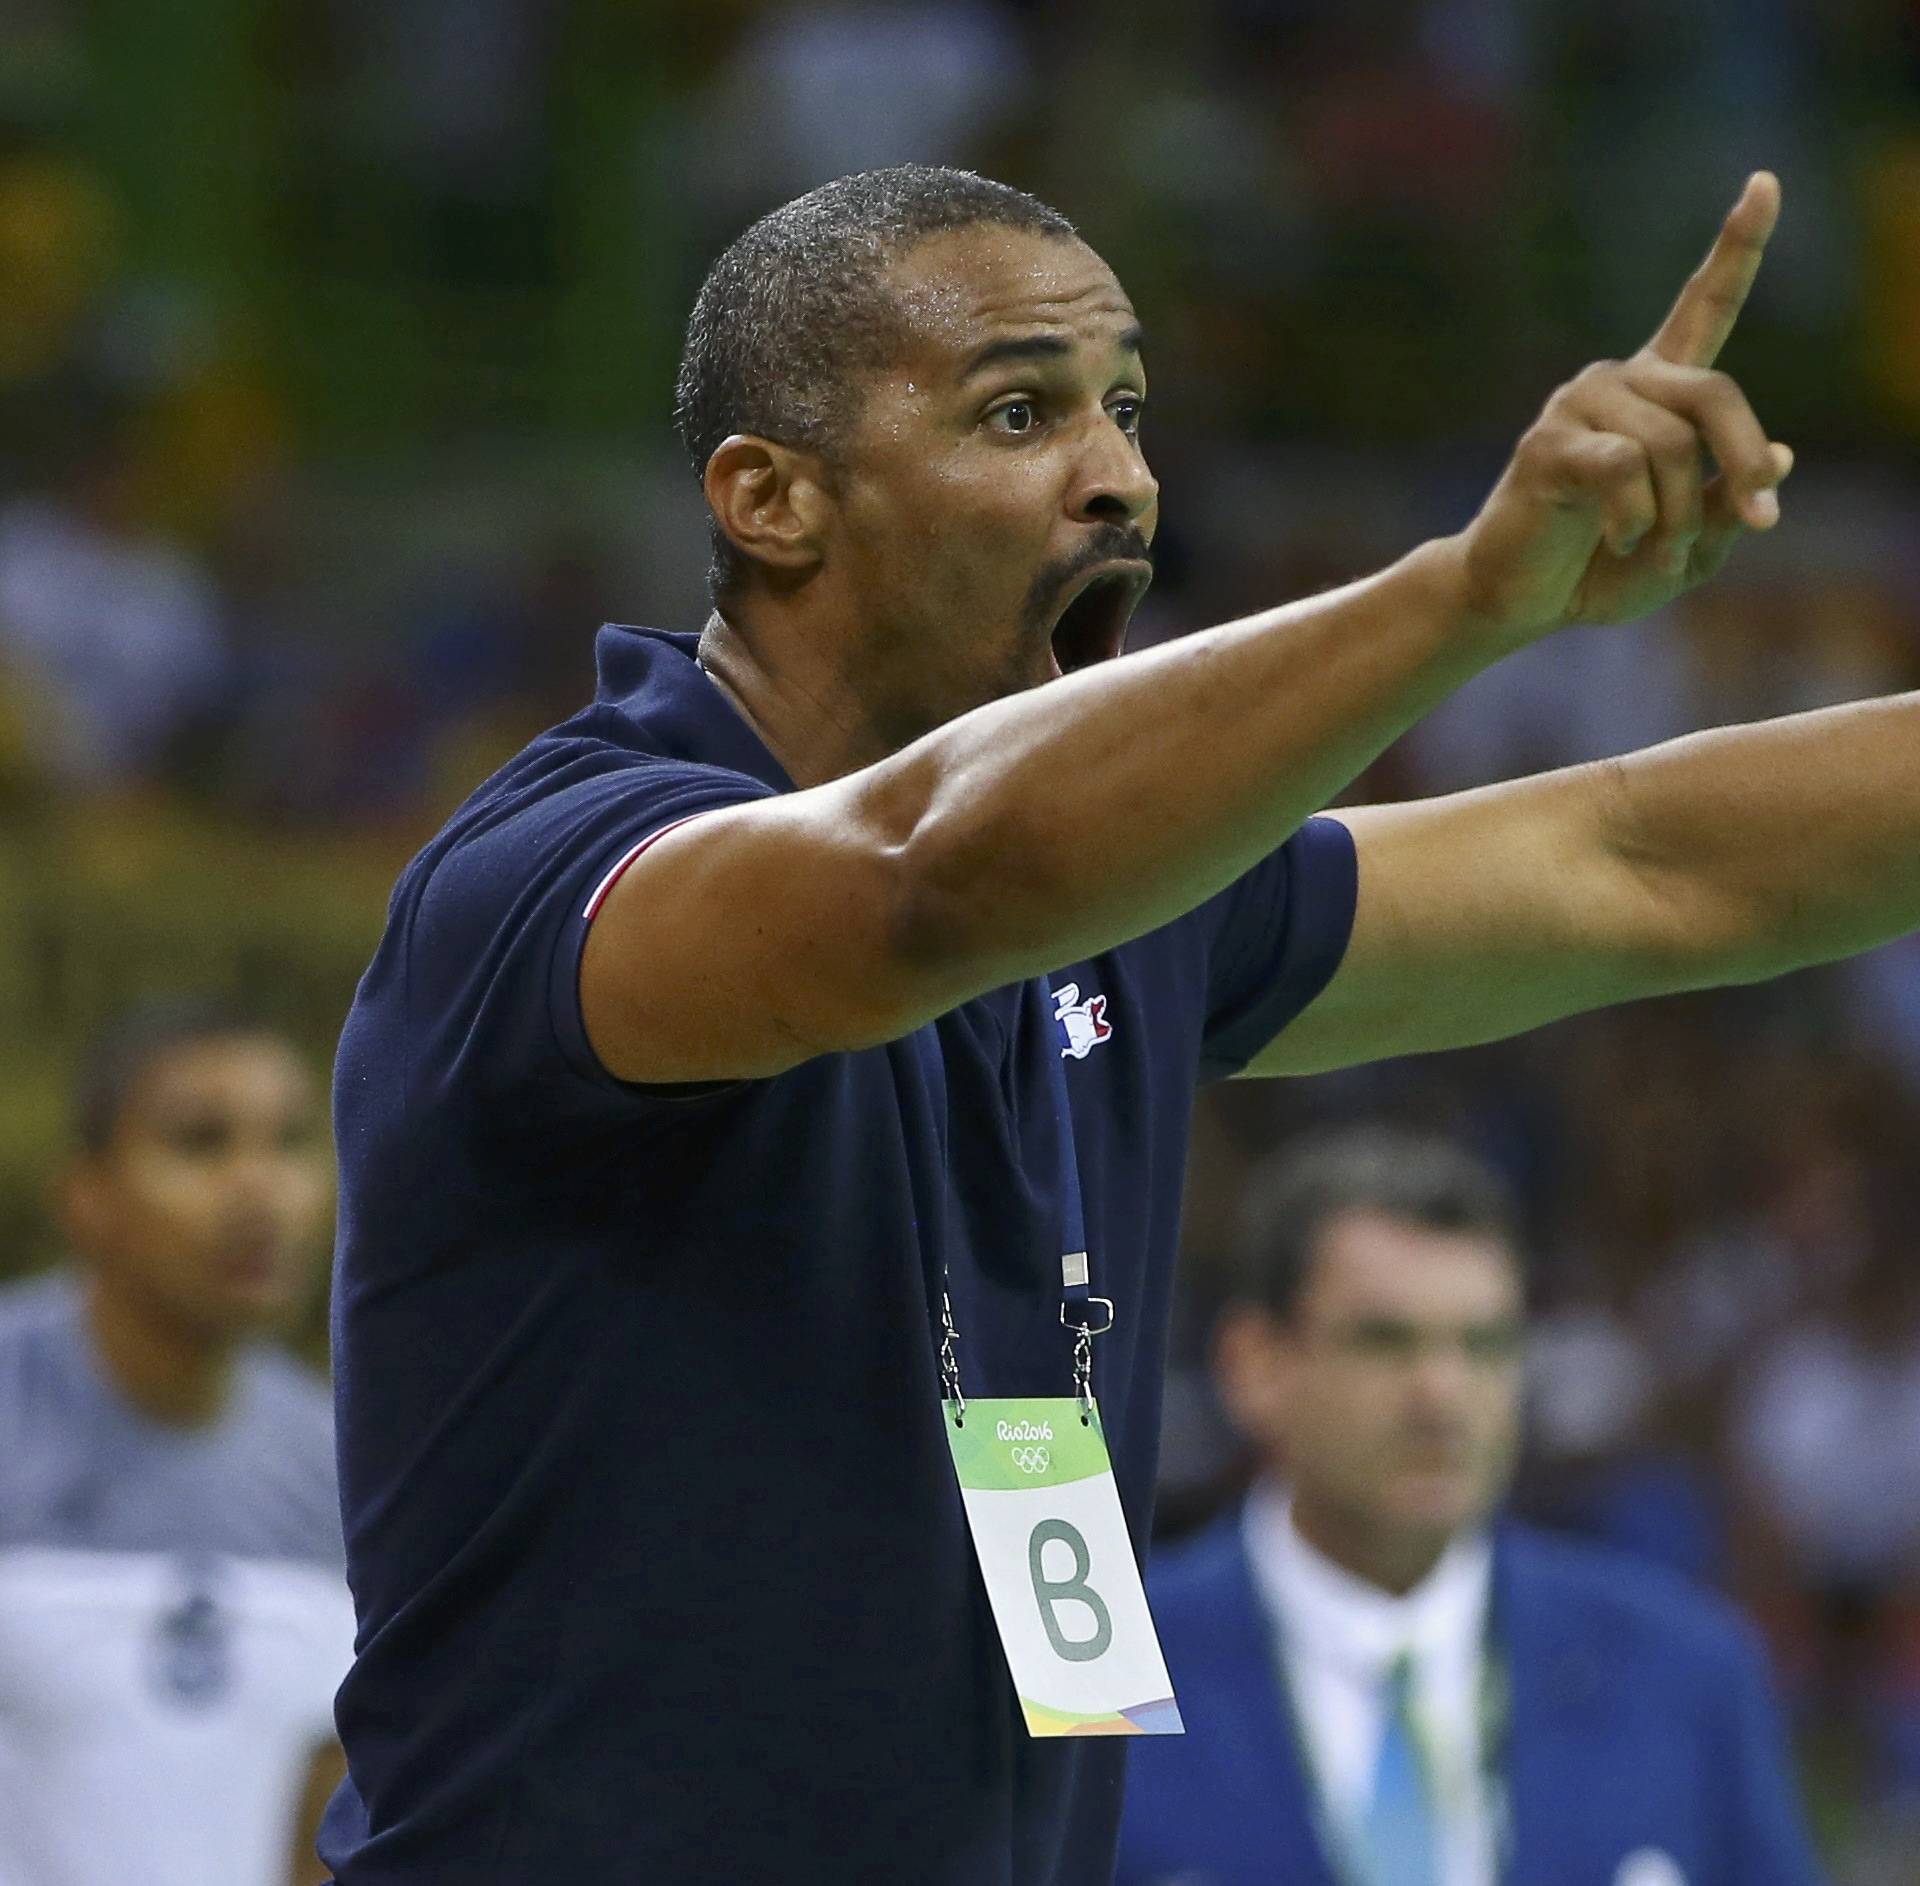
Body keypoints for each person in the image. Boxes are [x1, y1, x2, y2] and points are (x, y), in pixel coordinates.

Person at [324, 163, 1920, 1885]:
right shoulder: (558, 877)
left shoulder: (1133, 907)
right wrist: (1462, 596)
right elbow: (923, 879)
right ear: (772, 499)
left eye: (1130, 409)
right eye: (1022, 411)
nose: (1123, 475)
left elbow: (1642, 862)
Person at [1114, 1126, 1821, 1886]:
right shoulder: (1107, 1678)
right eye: (1383, 1341)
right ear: (1254, 1364)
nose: (1442, 1397)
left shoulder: (1685, 1670)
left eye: (1484, 1345)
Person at [0, 997, 352, 1886]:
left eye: (290, 1143)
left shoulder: (346, 1471)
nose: (257, 1188)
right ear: (88, 1197)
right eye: (201, 1142)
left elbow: (328, 1812)